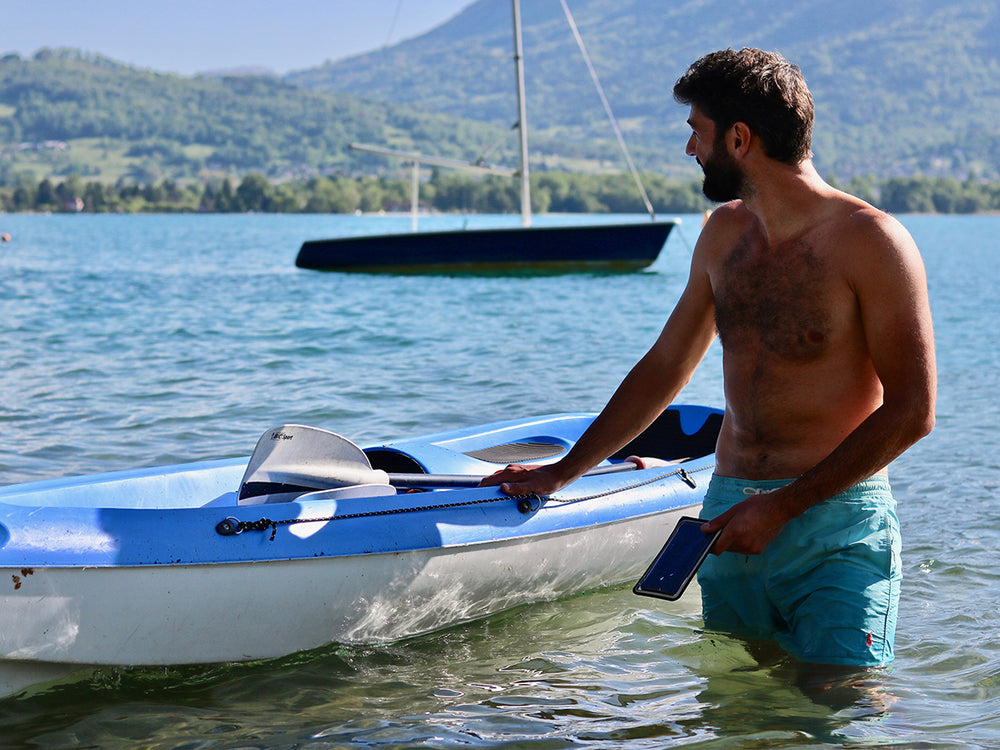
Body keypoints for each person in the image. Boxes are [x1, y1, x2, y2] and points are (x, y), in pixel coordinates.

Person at [481, 48, 936, 667]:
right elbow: (667, 366)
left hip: (834, 521)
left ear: (740, 138)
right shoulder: (723, 234)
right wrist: (563, 472)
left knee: (837, 709)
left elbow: (914, 411)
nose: (690, 149)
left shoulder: (872, 242)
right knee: (737, 711)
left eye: (696, 131)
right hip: (726, 516)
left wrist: (784, 504)